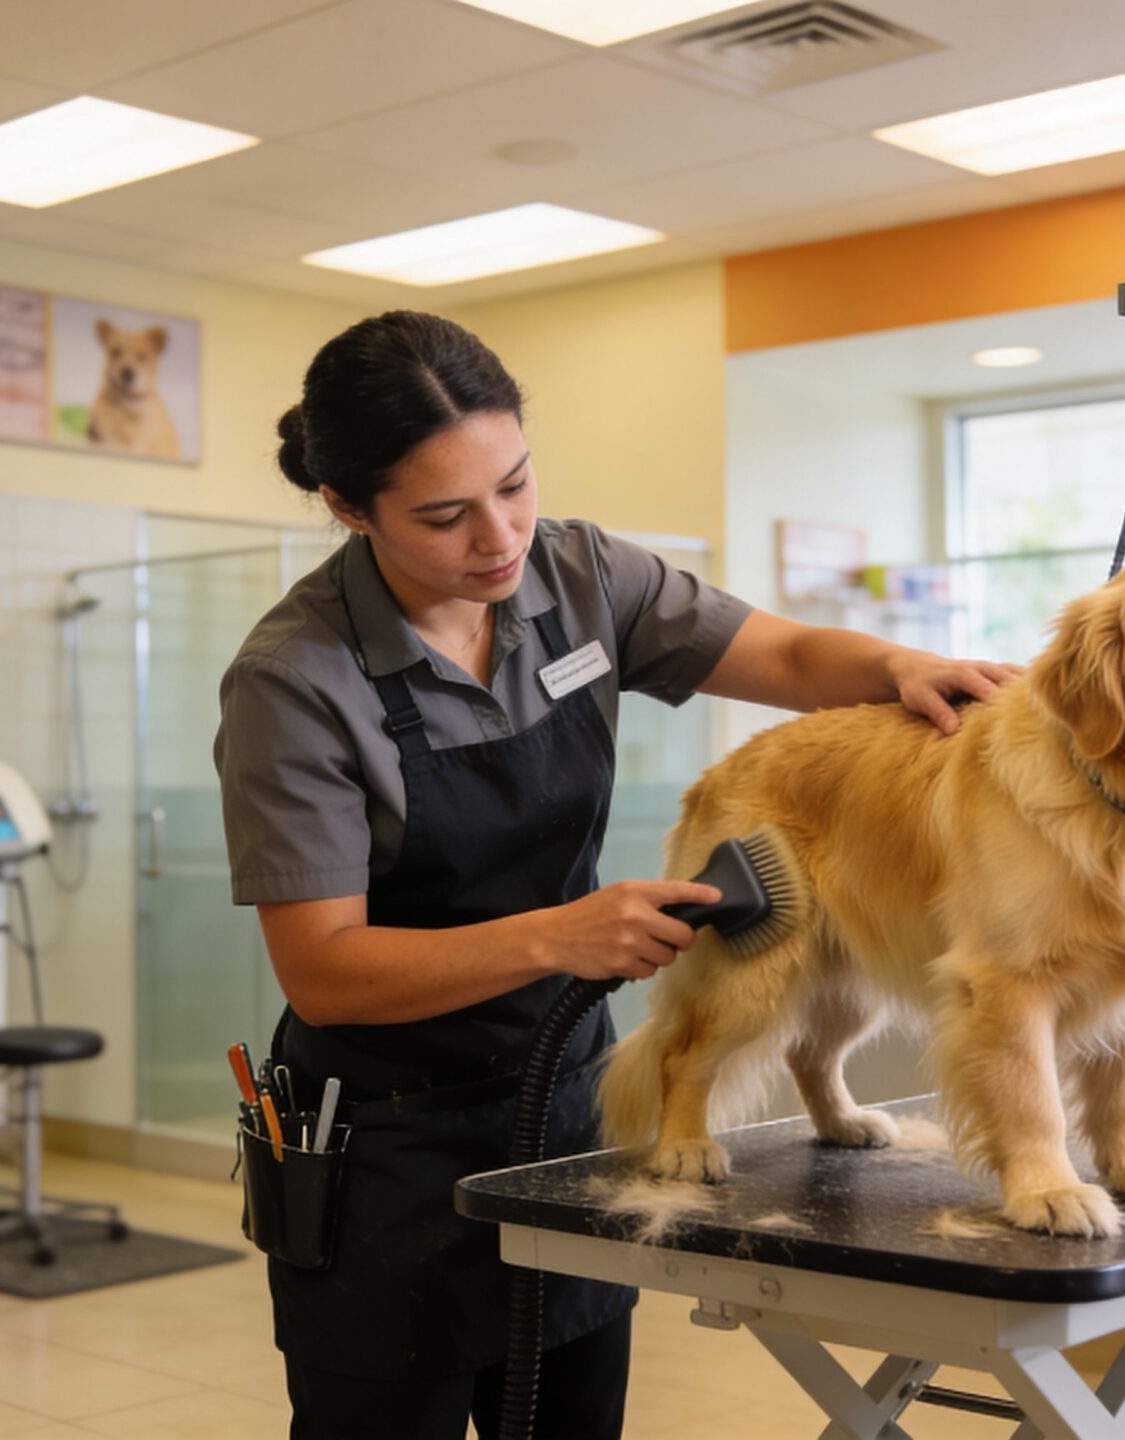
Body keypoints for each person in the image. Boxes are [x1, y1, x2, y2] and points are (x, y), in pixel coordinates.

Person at [213, 311, 1015, 1438]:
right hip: (388, 1145)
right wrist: (561, 937)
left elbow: (781, 656)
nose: (497, 538)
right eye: (444, 517)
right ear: (351, 510)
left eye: (514, 484)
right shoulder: (293, 681)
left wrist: (898, 665)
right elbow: (326, 973)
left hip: (566, 1108)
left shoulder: (579, 573)